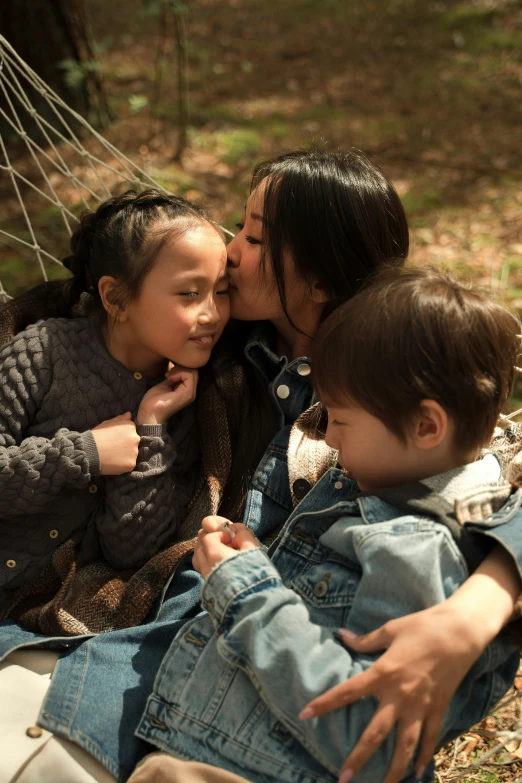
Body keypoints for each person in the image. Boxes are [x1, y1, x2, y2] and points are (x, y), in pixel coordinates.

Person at [0, 149, 520, 783]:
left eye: (252, 234)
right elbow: (101, 305)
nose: (229, 247)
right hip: (154, 627)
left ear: (321, 277)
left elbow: (493, 473)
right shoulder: (211, 338)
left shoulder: (392, 383)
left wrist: (477, 610)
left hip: (276, 676)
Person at [133, 267, 522, 783]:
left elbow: (362, 732)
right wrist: (259, 560)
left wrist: (244, 588)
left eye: (341, 420)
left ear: (426, 427)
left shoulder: (419, 548)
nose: (331, 440)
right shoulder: (383, 488)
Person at [0, 187, 229, 614]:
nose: (213, 313)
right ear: (115, 298)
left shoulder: (187, 400)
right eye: (189, 293)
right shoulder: (43, 352)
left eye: (222, 291)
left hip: (41, 613)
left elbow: (130, 550)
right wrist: (85, 452)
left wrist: (152, 426)